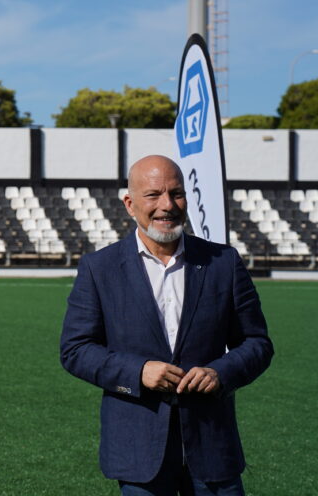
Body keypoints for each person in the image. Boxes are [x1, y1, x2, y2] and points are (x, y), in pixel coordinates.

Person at [60, 155, 273, 496]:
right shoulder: (99, 268)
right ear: (130, 204)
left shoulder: (223, 262)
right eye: (154, 194)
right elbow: (75, 349)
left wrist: (221, 373)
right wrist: (138, 371)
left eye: (177, 193)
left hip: (213, 448)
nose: (167, 205)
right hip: (138, 453)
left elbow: (257, 343)